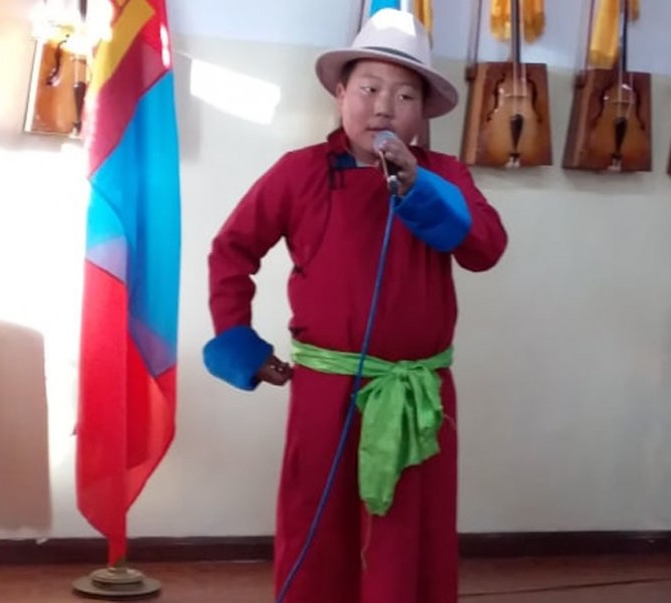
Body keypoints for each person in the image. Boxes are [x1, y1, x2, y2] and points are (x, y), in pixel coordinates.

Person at [203, 8, 507, 603]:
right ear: (341, 94)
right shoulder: (298, 173)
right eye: (369, 88)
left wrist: (419, 187)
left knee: (406, 535)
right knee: (319, 527)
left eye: (405, 95)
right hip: (326, 391)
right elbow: (231, 250)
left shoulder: (445, 175)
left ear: (423, 113)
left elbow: (486, 248)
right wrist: (239, 340)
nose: (384, 108)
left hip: (417, 395)